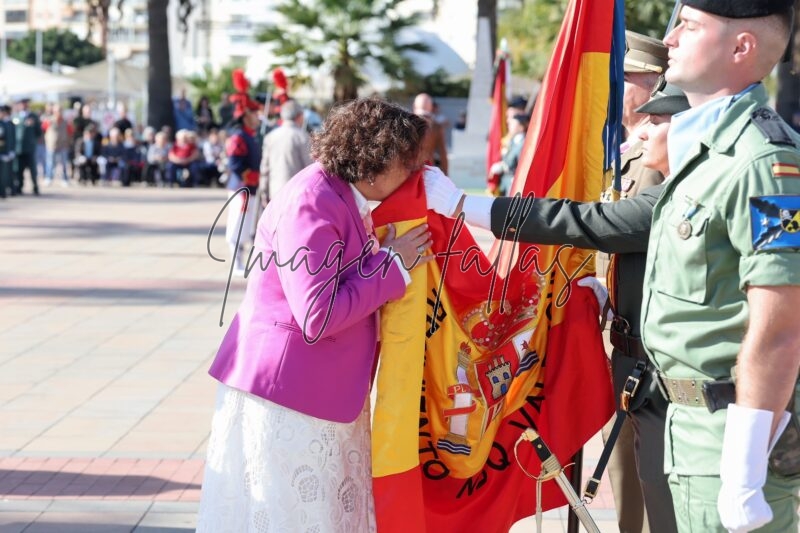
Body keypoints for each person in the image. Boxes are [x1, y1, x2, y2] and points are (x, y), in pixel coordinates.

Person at [424, 81, 688, 533]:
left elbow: (588, 221)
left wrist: (462, 204)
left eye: (658, 122)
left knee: (670, 512)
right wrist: (613, 293)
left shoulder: (678, 194)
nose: (644, 131)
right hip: (640, 368)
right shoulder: (673, 185)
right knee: (649, 502)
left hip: (670, 381)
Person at [196, 97, 433, 532]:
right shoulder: (314, 201)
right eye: (409, 164)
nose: (416, 173)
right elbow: (318, 314)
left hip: (312, 389)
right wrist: (391, 265)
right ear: (374, 164)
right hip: (288, 395)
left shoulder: (336, 194)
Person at [641, 2, 800, 531]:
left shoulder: (764, 161)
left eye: (689, 26)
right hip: (690, 431)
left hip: (731, 440)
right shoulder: (709, 152)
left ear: (741, 47)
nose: (669, 39)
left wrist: (743, 472)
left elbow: (780, 325)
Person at [259, 99, 313, 204]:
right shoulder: (303, 137)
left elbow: (265, 168)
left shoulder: (270, 137)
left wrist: (264, 191)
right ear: (299, 116)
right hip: (296, 193)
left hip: (275, 191)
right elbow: (309, 168)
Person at [488, 112, 530, 196]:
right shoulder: (512, 141)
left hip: (514, 183)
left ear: (521, 127)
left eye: (513, 123)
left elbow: (522, 166)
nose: (509, 125)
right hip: (505, 184)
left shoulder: (524, 143)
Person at [413, 93, 448, 174]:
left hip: (410, 173)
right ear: (431, 107)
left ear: (414, 106)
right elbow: (443, 153)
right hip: (428, 171)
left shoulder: (406, 125)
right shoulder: (436, 127)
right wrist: (446, 175)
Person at [13, 98, 42, 195]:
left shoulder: (33, 116)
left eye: (25, 104)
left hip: (30, 148)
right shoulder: (15, 116)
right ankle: (19, 187)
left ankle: (35, 187)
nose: (24, 106)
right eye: (22, 104)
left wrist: (33, 125)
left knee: (33, 170)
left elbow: (39, 132)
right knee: (18, 170)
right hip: (18, 148)